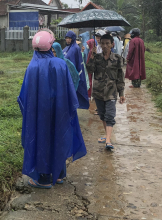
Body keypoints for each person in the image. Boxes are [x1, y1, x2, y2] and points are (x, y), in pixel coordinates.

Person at [18, 29, 86, 188]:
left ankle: (42, 179)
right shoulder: (61, 64)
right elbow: (70, 91)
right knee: (58, 137)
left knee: (41, 140)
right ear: (50, 46)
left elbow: (24, 96)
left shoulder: (32, 66)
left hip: (39, 114)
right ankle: (59, 175)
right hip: (59, 111)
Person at [86, 33, 126, 150]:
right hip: (98, 92)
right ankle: (106, 134)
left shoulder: (117, 58)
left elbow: (120, 77)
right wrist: (91, 57)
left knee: (110, 115)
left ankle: (108, 140)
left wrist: (122, 93)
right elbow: (90, 70)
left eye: (107, 43)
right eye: (102, 43)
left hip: (111, 92)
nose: (104, 46)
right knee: (102, 115)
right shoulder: (97, 57)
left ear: (112, 44)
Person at [63, 31, 89, 109]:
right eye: (66, 38)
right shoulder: (66, 48)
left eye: (69, 38)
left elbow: (78, 63)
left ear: (73, 38)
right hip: (66, 74)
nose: (68, 40)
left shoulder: (76, 48)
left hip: (73, 75)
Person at [85, 29, 105, 98]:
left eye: (99, 37)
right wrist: (93, 55)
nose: (98, 38)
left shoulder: (105, 48)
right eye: (97, 37)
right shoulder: (96, 47)